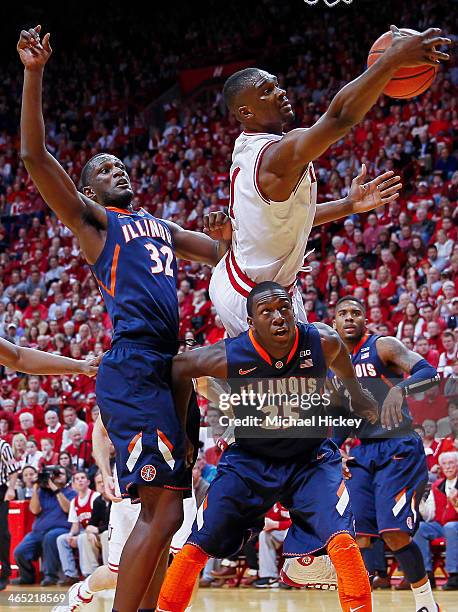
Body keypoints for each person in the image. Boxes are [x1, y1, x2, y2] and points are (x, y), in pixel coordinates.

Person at [18, 26, 230, 612]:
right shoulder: (96, 226)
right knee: (162, 510)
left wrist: (229, 236)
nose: (119, 171)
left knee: (171, 510)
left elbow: (224, 255)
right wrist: (34, 74)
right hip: (134, 364)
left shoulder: (160, 227)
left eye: (120, 166)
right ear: (86, 190)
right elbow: (34, 157)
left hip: (169, 369)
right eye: (105, 169)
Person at [207, 27, 450, 338]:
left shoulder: (254, 146)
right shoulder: (275, 156)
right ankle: (207, 372)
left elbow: (287, 219)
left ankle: (219, 370)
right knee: (298, 379)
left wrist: (348, 205)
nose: (280, 92)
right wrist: (390, 61)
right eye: (267, 91)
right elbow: (338, 119)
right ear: (245, 111)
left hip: (260, 283)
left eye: (276, 85)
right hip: (251, 294)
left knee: (307, 374)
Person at [157, 282, 378, 612]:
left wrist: (358, 394)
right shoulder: (230, 354)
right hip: (250, 461)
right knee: (195, 546)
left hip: (310, 459)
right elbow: (179, 368)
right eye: (267, 312)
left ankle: (306, 565)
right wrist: (184, 433)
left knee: (344, 541)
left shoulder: (321, 340)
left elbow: (340, 356)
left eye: (284, 308)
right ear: (251, 323)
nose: (279, 317)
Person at [291, 296, 440, 611]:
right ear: (333, 323)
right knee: (355, 536)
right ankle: (357, 604)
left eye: (355, 313)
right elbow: (342, 419)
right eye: (342, 313)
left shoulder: (382, 346)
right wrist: (333, 449)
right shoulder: (331, 369)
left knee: (394, 534)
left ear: (365, 320)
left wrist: (400, 389)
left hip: (399, 446)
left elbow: (429, 372)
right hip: (363, 452)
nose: (349, 318)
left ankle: (426, 603)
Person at [13, 466, 76, 586]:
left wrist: (55, 489)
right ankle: (27, 577)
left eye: (61, 474)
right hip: (38, 531)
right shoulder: (42, 492)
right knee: (19, 551)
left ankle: (50, 576)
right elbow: (34, 510)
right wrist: (36, 488)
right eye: (56, 474)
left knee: (50, 537)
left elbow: (68, 509)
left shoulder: (71, 492)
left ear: (67, 477)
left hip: (61, 530)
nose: (58, 477)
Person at [414, 451, 458, 590]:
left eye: (451, 463)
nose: (448, 467)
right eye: (444, 464)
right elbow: (429, 515)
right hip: (440, 525)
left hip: (454, 525)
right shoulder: (437, 485)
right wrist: (419, 502)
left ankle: (454, 575)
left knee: (451, 527)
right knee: (420, 527)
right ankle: (426, 574)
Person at [56, 472, 100, 585]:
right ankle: (71, 574)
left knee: (81, 538)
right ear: (73, 484)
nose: (80, 480)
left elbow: (98, 521)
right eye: (77, 479)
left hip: (96, 530)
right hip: (82, 531)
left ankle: (88, 575)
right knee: (62, 539)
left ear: (88, 482)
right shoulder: (74, 502)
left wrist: (79, 536)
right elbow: (75, 525)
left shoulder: (95, 496)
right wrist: (71, 536)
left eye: (83, 478)